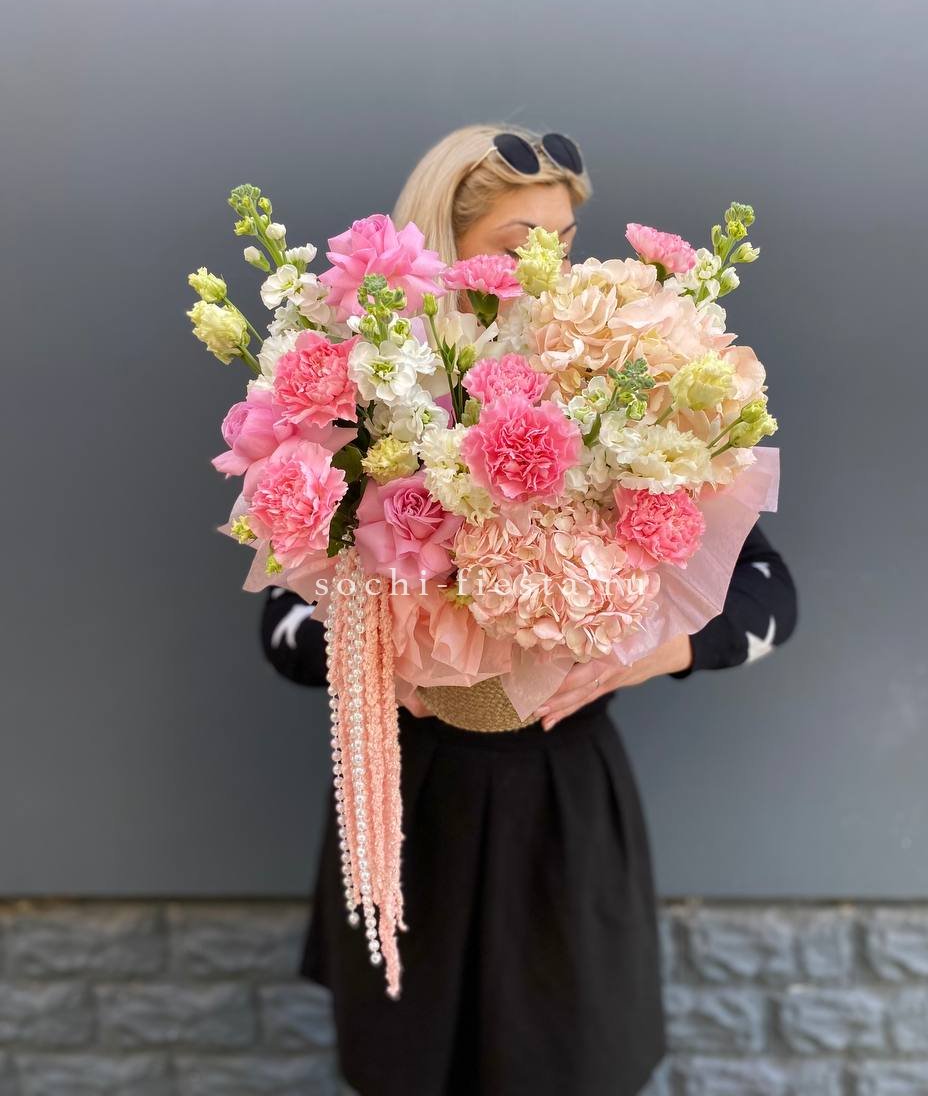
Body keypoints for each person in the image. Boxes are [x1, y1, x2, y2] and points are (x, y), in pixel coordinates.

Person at [259, 124, 799, 1096]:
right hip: (406, 798)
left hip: (562, 801)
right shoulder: (367, 394)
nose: (546, 265)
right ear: (443, 241)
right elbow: (283, 627)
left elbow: (770, 595)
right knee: (408, 1065)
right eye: (517, 242)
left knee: (568, 1061)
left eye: (563, 240)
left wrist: (649, 654)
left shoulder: (623, 384)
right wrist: (392, 657)